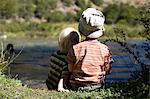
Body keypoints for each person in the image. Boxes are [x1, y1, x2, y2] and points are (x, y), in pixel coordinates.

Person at [67, 8, 113, 91]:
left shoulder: (75, 48)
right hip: (97, 86)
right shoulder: (105, 49)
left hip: (76, 86)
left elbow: (70, 69)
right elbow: (108, 70)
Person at [46, 27, 81, 92]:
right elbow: (64, 74)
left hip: (50, 82)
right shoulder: (68, 58)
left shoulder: (55, 54)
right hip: (59, 84)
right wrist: (60, 86)